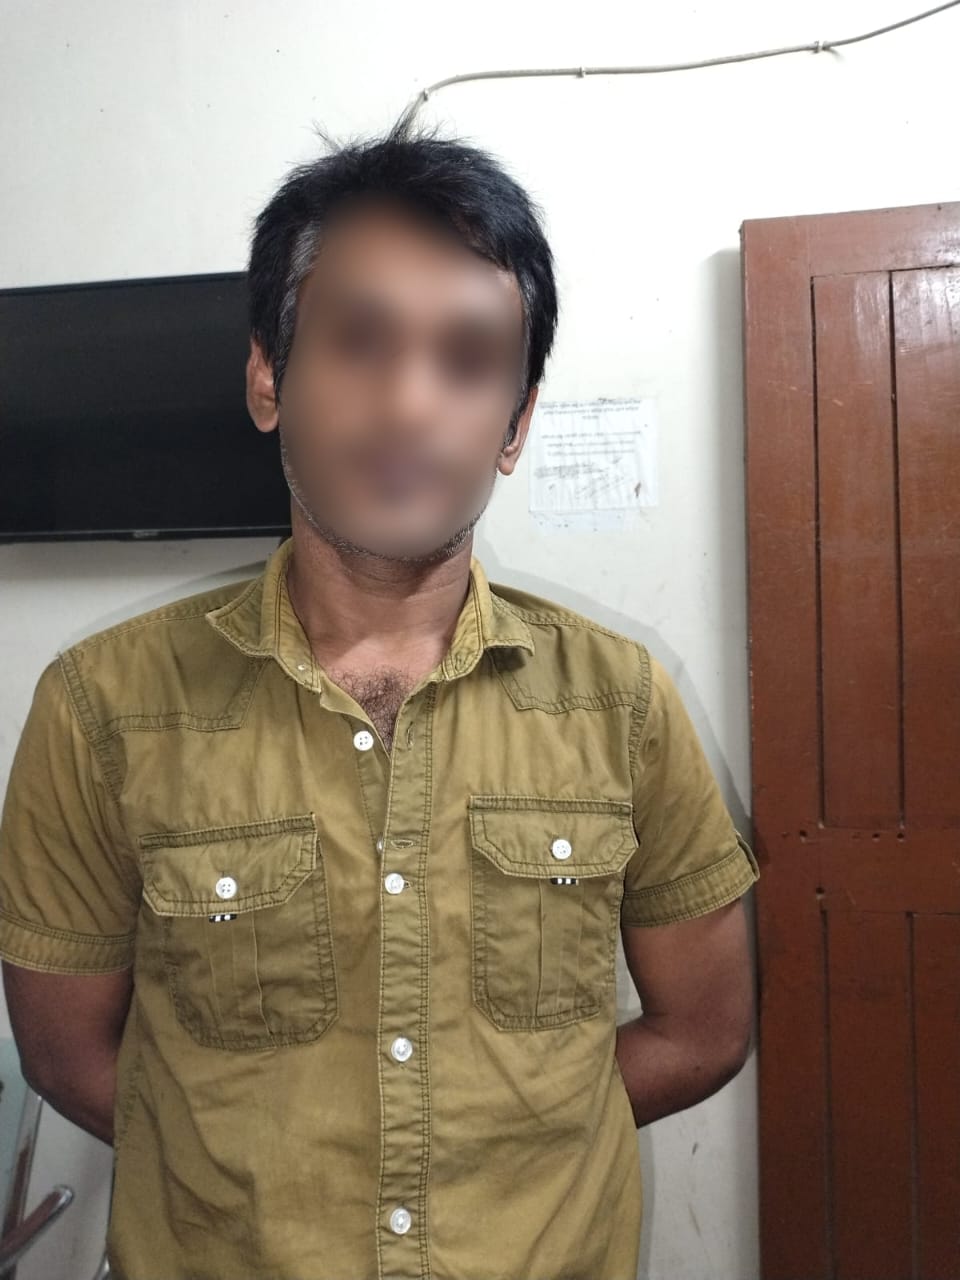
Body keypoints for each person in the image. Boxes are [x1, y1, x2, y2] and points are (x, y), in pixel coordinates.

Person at [0, 121, 759, 1280]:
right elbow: (65, 1055)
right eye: (360, 341)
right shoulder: (99, 708)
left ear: (514, 425)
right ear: (269, 377)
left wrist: (513, 1148)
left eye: (467, 359)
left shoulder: (622, 701)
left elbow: (704, 1028)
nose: (410, 403)